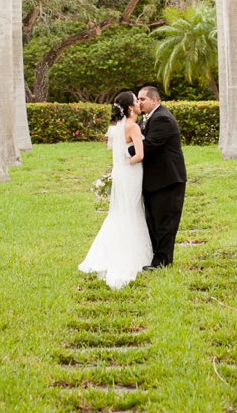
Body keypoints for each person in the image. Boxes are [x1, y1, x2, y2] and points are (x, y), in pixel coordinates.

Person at [78, 91, 152, 289]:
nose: (139, 104)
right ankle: (131, 255)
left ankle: (108, 253)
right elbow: (140, 155)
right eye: (136, 101)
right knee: (132, 211)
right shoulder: (133, 126)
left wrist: (120, 166)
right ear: (130, 108)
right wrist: (128, 161)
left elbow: (113, 149)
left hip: (121, 174)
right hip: (132, 173)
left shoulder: (116, 128)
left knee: (120, 212)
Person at [137, 85, 187, 269]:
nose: (139, 103)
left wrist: (125, 152)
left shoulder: (162, 119)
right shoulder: (147, 118)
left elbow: (148, 146)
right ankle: (156, 258)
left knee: (165, 222)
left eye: (142, 99)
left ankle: (163, 261)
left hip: (168, 179)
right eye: (138, 99)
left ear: (154, 100)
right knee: (154, 221)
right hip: (154, 180)